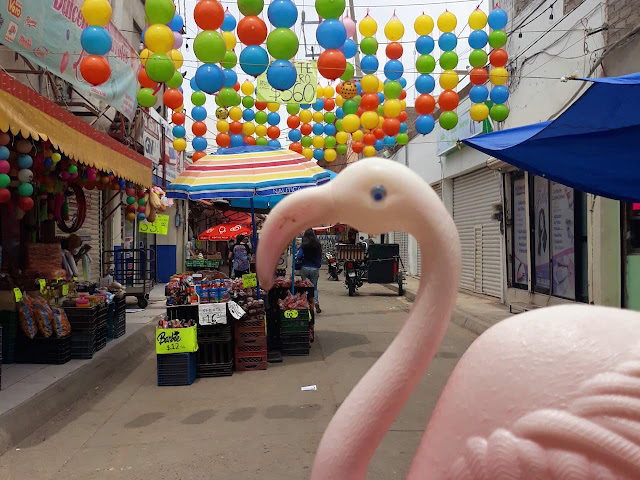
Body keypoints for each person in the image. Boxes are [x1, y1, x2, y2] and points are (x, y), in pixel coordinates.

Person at [296, 229, 323, 313]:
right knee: (314, 288)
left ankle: (307, 305)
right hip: (315, 268)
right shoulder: (318, 245)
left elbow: (299, 256)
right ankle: (316, 302)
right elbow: (320, 256)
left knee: (306, 287)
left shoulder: (304, 245)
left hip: (304, 268)